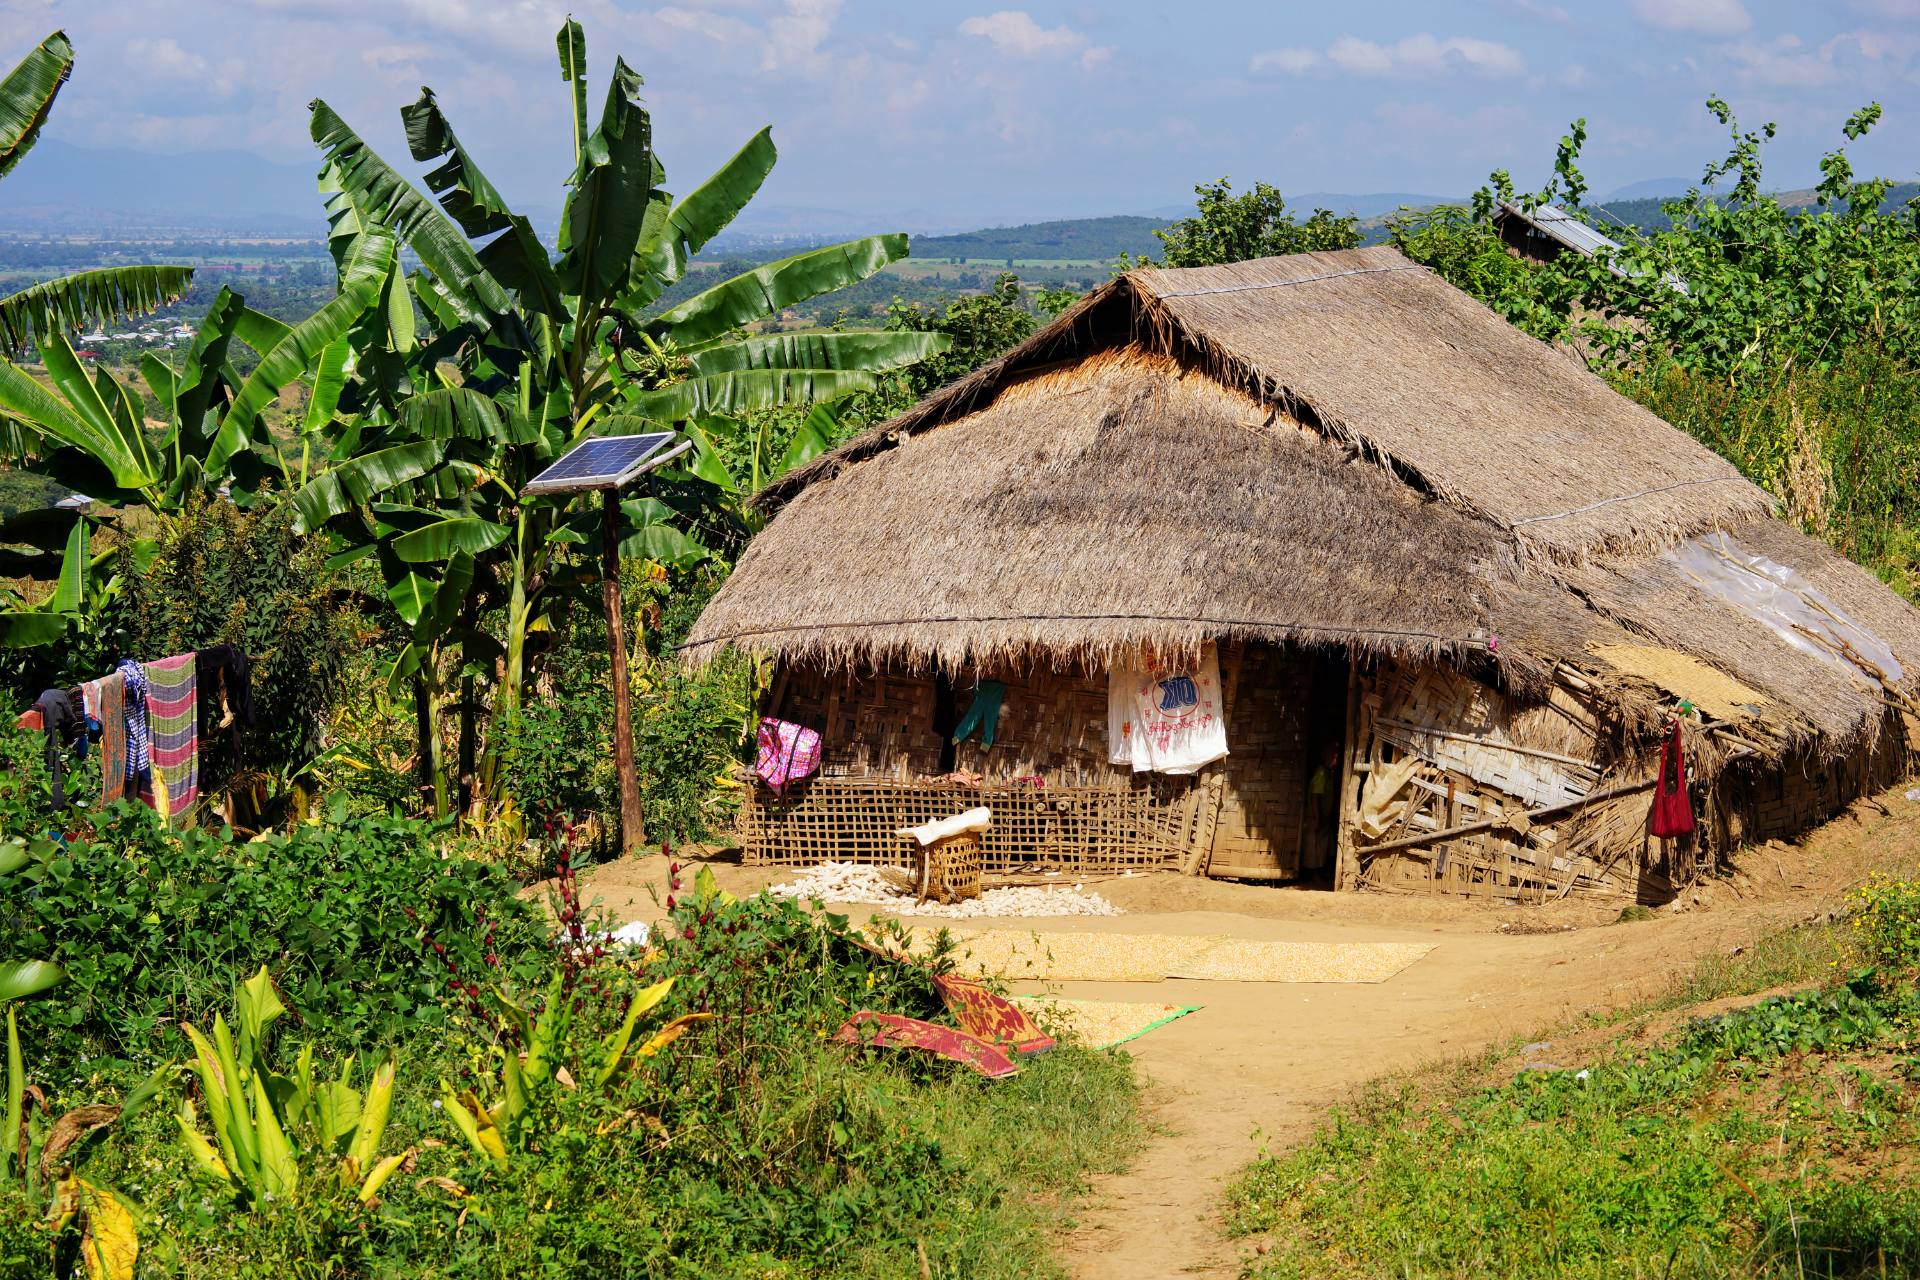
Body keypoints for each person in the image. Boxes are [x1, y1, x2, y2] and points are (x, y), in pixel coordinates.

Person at [1304, 740, 1341, 872]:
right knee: (1314, 847)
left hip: (1323, 815)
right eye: (1334, 757)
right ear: (1327, 757)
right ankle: (1314, 875)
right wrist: (1316, 816)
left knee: (1322, 845)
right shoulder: (1321, 774)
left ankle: (1319, 873)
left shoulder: (1327, 774)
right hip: (1316, 815)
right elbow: (1315, 797)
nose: (1336, 761)